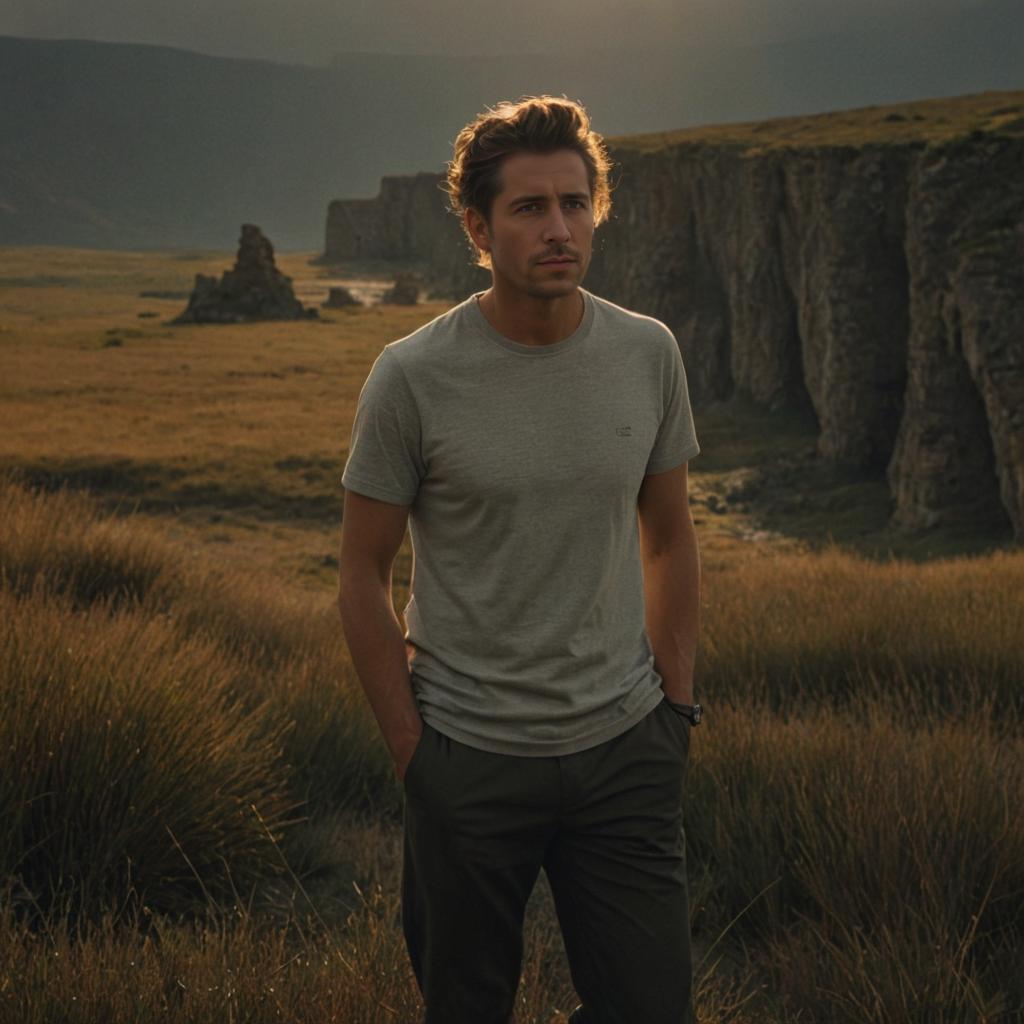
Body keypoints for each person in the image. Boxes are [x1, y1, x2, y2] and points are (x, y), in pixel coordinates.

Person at [337, 95, 702, 1024]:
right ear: (477, 225)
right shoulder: (412, 375)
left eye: (575, 204)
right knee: (467, 1009)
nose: (558, 228)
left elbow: (668, 534)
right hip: (469, 758)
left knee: (652, 1008)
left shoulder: (647, 352)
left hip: (625, 751)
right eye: (529, 208)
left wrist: (676, 706)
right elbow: (361, 574)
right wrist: (417, 758)